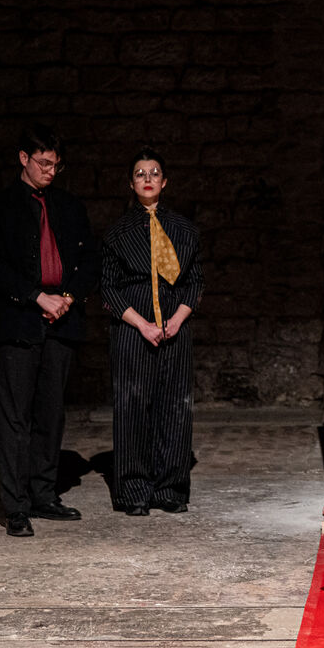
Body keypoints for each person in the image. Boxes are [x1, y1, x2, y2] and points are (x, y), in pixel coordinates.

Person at [0, 125, 99, 538]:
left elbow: (90, 261)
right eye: (44, 163)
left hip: (62, 319)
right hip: (21, 320)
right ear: (23, 158)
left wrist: (67, 297)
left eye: (55, 165)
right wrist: (36, 297)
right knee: (16, 417)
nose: (50, 171)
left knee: (51, 412)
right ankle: (15, 506)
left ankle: (43, 494)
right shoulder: (0, 205)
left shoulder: (69, 205)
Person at [100, 149, 204, 516]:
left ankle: (170, 489)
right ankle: (133, 490)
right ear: (131, 183)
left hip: (175, 328)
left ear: (164, 181)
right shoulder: (117, 234)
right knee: (132, 407)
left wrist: (176, 320)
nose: (147, 178)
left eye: (154, 172)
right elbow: (108, 288)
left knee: (175, 406)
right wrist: (142, 324)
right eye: (140, 173)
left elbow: (194, 282)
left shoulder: (185, 230)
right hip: (133, 330)